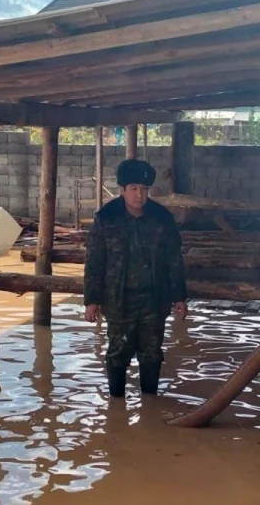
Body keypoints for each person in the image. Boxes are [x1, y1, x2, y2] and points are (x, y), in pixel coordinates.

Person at [84, 159, 188, 398]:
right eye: (134, 189)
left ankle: (149, 403)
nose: (140, 195)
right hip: (118, 300)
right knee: (118, 351)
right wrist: (92, 300)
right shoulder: (106, 218)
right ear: (122, 190)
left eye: (144, 189)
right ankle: (116, 403)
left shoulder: (162, 218)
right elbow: (94, 263)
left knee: (151, 352)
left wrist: (179, 297)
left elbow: (174, 260)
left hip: (154, 299)